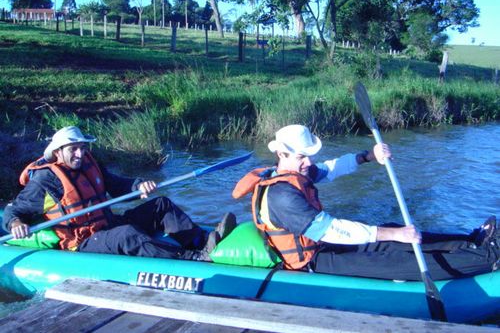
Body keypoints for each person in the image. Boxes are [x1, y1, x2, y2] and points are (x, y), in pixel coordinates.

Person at [233, 124, 499, 280]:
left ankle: (473, 240)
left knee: (394, 233)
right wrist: (394, 234)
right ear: (282, 153)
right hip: (313, 263)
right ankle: (489, 257)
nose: (309, 162)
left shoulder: (294, 173)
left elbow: (330, 168)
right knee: (397, 257)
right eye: (303, 156)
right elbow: (331, 230)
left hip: (324, 247)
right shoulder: (282, 195)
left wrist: (368, 155)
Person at [3, 126, 236, 261]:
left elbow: (115, 185)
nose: (80, 154)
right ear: (58, 152)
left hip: (108, 223)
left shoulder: (88, 165)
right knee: (125, 235)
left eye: (83, 148)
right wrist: (15, 223)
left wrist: (137, 186)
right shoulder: (46, 181)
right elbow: (15, 211)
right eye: (73, 149)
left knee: (161, 205)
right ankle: (191, 258)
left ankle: (201, 241)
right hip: (82, 243)